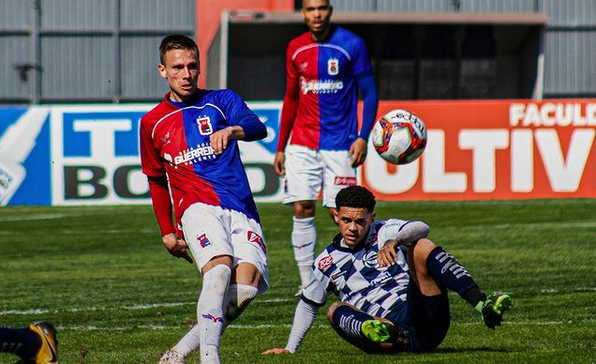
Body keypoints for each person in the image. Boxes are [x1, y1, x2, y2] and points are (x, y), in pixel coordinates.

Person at [140, 34, 269, 364]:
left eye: (192, 66)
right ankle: (210, 359)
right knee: (218, 271)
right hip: (195, 206)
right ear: (163, 71)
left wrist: (233, 130)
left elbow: (256, 127)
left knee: (247, 287)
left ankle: (176, 355)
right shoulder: (152, 123)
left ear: (199, 67)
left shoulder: (221, 100)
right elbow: (156, 180)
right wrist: (167, 230)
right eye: (177, 67)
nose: (186, 74)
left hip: (240, 207)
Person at [262, 186, 512, 355]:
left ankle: (483, 305)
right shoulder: (326, 262)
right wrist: (290, 348)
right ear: (336, 217)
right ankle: (381, 330)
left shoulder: (384, 231)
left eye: (360, 221)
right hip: (387, 337)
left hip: (423, 317)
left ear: (372, 218)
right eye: (347, 220)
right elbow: (308, 305)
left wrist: (395, 242)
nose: (353, 228)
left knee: (421, 247)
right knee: (334, 310)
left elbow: (422, 227)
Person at [274, 0, 379, 294]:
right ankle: (308, 282)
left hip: (340, 145)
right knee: (302, 206)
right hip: (302, 143)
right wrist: (281, 146)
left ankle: (352, 275)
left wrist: (362, 136)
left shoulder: (351, 45)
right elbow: (291, 97)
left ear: (330, 10)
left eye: (321, 8)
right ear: (303, 13)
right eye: (310, 9)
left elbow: (370, 94)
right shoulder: (295, 47)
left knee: (344, 213)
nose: (316, 14)